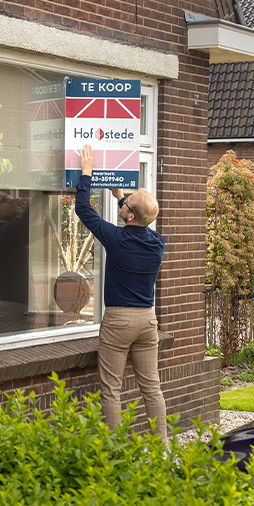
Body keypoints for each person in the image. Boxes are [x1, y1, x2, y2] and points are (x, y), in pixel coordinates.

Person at [76, 144, 167, 438]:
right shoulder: (157, 243)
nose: (125, 204)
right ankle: (162, 448)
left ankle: (116, 449)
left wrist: (86, 171)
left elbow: (83, 209)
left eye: (128, 204)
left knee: (111, 389)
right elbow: (139, 220)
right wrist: (121, 198)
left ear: (129, 217)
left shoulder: (115, 239)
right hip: (147, 322)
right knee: (151, 388)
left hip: (118, 322)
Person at [0, 189, 32, 334]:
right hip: (11, 314)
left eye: (9, 196)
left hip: (18, 311)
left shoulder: (9, 233)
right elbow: (33, 212)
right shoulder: (5, 233)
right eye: (5, 199)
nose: (11, 200)